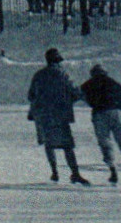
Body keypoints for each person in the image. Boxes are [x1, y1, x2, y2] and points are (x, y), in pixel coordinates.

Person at [27, 48, 89, 185]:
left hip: (43, 115)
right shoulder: (62, 74)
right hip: (60, 115)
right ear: (57, 61)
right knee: (67, 145)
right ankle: (75, 173)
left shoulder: (38, 75)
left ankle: (54, 172)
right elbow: (74, 90)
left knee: (49, 144)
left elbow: (31, 95)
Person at [80, 63, 121, 186]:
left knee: (105, 142)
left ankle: (113, 170)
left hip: (100, 114)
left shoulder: (88, 84)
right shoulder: (115, 84)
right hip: (117, 113)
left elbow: (78, 95)